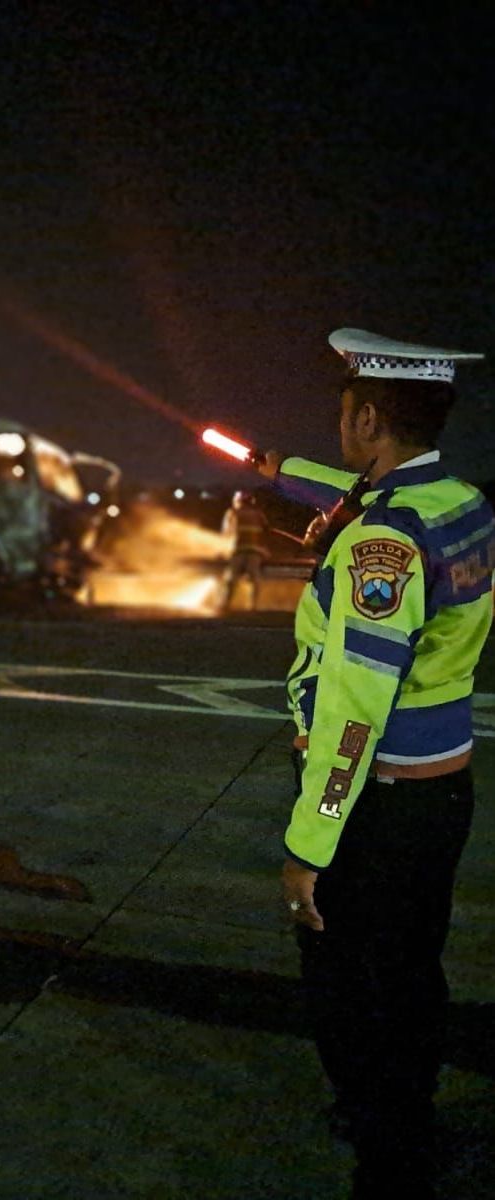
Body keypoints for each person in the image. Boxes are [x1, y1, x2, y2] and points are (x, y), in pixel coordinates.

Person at [259, 328, 494, 1199]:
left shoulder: (376, 547)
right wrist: (277, 466)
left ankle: (385, 1149)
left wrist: (309, 844)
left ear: (364, 416)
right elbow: (356, 489)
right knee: (410, 969)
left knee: (347, 984)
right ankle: (409, 1113)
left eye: (344, 412)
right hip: (442, 791)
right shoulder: (461, 503)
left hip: (376, 804)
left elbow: (352, 715)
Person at [219, 490, 271, 610]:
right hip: (254, 552)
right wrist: (265, 550)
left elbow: (226, 534)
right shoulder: (258, 514)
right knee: (254, 579)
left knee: (231, 579)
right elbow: (266, 532)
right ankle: (252, 606)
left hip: (238, 551)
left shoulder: (232, 512)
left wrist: (222, 551)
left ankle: (226, 604)